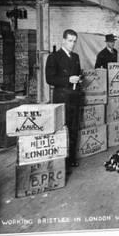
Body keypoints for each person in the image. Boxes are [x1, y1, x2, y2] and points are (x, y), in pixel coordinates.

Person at [45, 29, 83, 171]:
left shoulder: (76, 57)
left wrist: (79, 79)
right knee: (62, 130)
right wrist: (68, 79)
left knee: (73, 129)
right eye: (69, 41)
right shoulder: (53, 57)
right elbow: (49, 79)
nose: (72, 44)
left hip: (74, 98)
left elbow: (77, 74)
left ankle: (71, 159)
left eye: (74, 41)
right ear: (63, 40)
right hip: (61, 99)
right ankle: (61, 162)